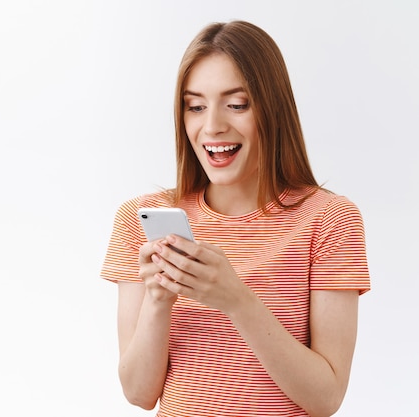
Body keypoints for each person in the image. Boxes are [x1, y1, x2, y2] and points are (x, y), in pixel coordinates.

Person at [100, 20, 370, 417]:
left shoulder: (330, 220)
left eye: (237, 104)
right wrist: (158, 300)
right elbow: (139, 393)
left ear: (272, 109)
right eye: (195, 106)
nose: (212, 127)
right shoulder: (138, 221)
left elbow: (326, 398)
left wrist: (236, 300)